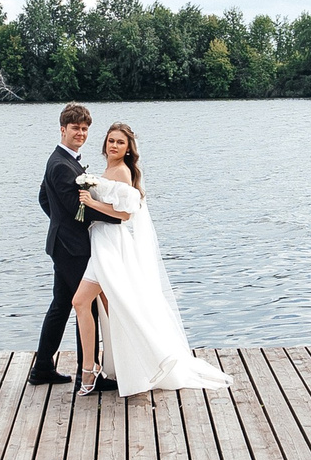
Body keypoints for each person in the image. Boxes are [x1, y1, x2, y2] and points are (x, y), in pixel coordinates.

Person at [69, 122, 232, 397]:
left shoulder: (121, 172)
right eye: (111, 140)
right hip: (99, 243)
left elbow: (125, 214)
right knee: (114, 309)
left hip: (112, 246)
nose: (114, 146)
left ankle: (91, 370)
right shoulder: (105, 172)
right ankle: (124, 366)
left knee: (81, 301)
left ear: (128, 149)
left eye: (120, 142)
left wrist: (91, 202)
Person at [31, 104, 124, 388]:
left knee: (61, 306)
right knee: (88, 307)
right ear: (63, 130)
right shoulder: (61, 164)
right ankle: (89, 376)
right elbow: (74, 207)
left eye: (84, 129)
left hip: (64, 244)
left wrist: (60, 224)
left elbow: (44, 199)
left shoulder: (64, 160)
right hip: (72, 248)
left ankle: (43, 368)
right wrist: (113, 215)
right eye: (75, 128)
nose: (81, 133)